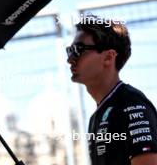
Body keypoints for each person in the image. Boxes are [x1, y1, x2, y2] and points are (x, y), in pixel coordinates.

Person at [66, 15, 157, 165]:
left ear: (109, 57)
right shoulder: (95, 117)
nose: (70, 59)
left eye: (78, 50)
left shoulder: (130, 102)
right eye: (69, 50)